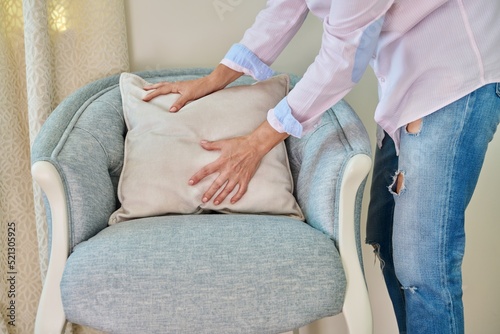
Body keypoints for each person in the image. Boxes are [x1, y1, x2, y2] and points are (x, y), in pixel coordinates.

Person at [142, 1, 500, 333]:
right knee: (389, 243)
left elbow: (341, 60)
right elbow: (283, 9)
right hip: (407, 81)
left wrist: (255, 144)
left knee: (423, 267)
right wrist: (211, 80)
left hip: (454, 77)